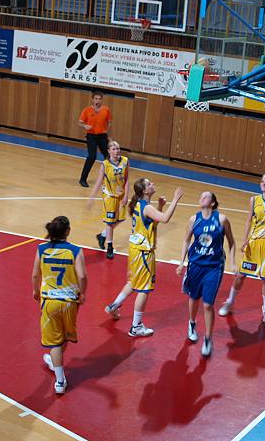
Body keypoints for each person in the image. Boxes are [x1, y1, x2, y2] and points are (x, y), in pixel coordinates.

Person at [104, 179, 184, 337]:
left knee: (133, 282)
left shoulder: (139, 205)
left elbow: (152, 223)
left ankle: (114, 305)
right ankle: (136, 327)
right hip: (143, 252)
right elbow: (164, 219)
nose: (152, 184)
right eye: (149, 184)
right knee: (144, 289)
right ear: (145, 191)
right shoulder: (146, 207)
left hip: (135, 249)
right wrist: (175, 200)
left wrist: (160, 206)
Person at [218, 173, 265, 324]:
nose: (263, 183)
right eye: (262, 181)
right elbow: (249, 221)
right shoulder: (254, 200)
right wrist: (245, 240)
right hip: (253, 244)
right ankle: (230, 302)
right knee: (241, 275)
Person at [31, 215, 87, 395]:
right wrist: (82, 293)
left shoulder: (41, 249)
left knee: (55, 342)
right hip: (70, 302)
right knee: (65, 336)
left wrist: (35, 291)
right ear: (68, 231)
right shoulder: (75, 251)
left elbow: (35, 275)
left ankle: (60, 381)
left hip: (50, 301)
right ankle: (55, 364)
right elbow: (82, 277)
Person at [176, 191, 236, 357]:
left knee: (208, 305)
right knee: (193, 298)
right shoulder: (193, 219)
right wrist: (181, 262)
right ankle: (192, 323)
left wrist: (233, 263)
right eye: (201, 195)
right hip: (195, 265)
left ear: (213, 202)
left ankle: (208, 339)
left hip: (214, 267)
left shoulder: (221, 219)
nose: (202, 197)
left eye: (206, 196)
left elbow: (231, 242)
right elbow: (186, 240)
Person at [87, 140, 129, 259]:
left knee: (120, 219)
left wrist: (127, 195)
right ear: (109, 151)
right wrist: (92, 197)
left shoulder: (125, 161)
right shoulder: (105, 165)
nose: (116, 151)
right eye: (114, 149)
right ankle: (109, 247)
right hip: (109, 196)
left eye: (118, 149)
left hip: (121, 195)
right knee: (110, 222)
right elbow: (99, 182)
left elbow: (127, 179)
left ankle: (102, 235)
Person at [78, 90, 112, 187]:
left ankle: (108, 177)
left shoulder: (106, 110)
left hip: (102, 136)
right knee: (92, 157)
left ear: (102, 100)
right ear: (92, 100)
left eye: (100, 99)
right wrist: (85, 126)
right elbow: (80, 122)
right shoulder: (87, 110)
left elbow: (109, 122)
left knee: (108, 156)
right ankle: (83, 179)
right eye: (96, 98)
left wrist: (107, 133)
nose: (98, 100)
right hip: (91, 136)